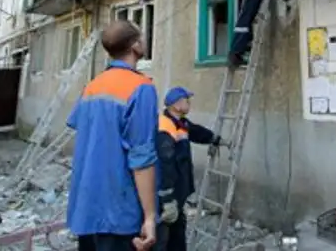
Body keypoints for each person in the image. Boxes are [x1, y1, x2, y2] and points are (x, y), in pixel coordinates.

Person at [66, 20, 159, 251]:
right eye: (142, 36)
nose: (145, 39)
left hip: (86, 209)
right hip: (120, 213)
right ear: (135, 45)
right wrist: (149, 216)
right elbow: (142, 158)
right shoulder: (141, 88)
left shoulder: (92, 86)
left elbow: (82, 128)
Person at [156, 86, 226, 251]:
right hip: (168, 193)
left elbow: (196, 131)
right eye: (187, 100)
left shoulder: (180, 123)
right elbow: (165, 165)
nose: (189, 103)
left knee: (177, 233)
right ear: (176, 104)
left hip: (178, 192)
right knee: (163, 237)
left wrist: (215, 139)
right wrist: (167, 199)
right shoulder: (165, 127)